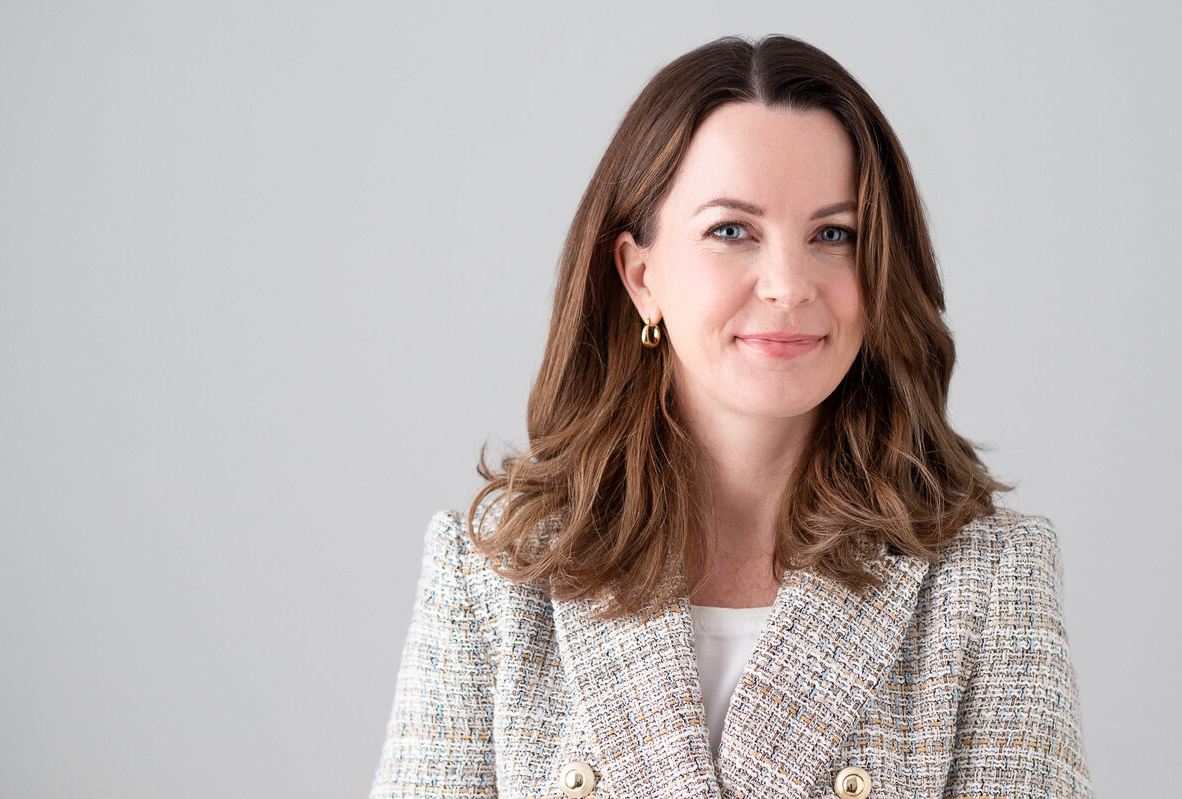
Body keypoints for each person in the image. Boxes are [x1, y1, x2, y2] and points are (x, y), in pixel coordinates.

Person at [370, 34, 1093, 799]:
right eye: (731, 230)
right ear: (640, 275)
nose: (788, 284)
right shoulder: (491, 577)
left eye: (833, 235)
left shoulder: (986, 578)